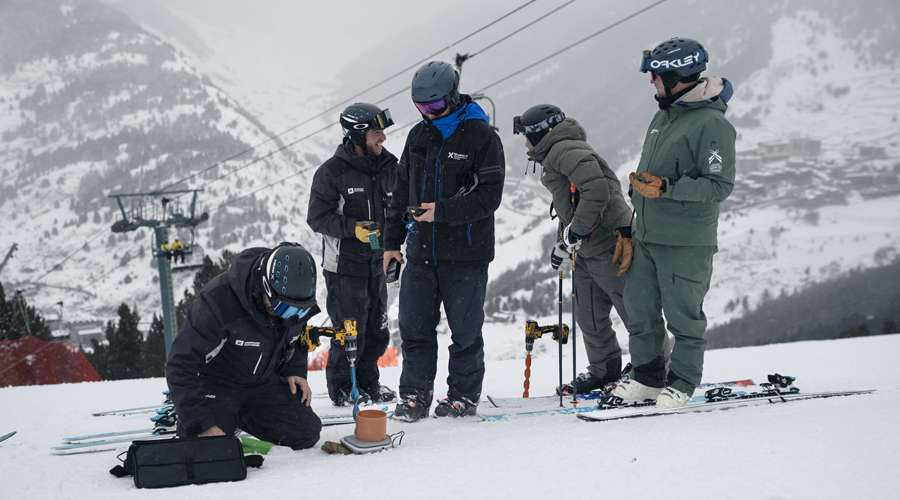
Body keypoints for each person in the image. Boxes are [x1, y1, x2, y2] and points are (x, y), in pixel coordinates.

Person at [614, 37, 736, 408]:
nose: (651, 81)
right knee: (641, 311)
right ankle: (647, 378)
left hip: (685, 241)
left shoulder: (711, 124)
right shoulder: (664, 115)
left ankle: (682, 381)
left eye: (655, 75)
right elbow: (651, 179)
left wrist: (667, 188)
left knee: (683, 317)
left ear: (677, 75)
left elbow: (719, 186)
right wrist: (631, 229)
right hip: (648, 235)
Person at [383, 61, 505, 421]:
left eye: (435, 106)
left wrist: (443, 212)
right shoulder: (418, 137)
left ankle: (462, 396)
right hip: (421, 252)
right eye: (421, 107)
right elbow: (401, 191)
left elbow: (489, 197)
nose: (429, 114)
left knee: (465, 332)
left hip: (466, 254)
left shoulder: (481, 137)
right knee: (414, 328)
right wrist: (392, 242)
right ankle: (415, 395)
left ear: (452, 97)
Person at [513, 104, 634, 395]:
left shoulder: (566, 150)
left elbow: (596, 191)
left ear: (540, 134)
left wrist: (575, 233)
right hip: (587, 248)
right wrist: (564, 242)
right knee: (589, 315)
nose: (525, 143)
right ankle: (604, 371)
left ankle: (653, 369)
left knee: (633, 310)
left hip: (610, 243)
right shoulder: (557, 153)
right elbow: (572, 206)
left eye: (526, 135)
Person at [166, 243, 323, 449]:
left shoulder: (292, 304)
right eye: (284, 308)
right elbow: (180, 364)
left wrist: (293, 370)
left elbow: (295, 334)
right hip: (217, 385)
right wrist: (199, 423)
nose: (291, 316)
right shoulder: (217, 302)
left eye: (300, 311)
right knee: (209, 448)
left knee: (305, 433)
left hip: (262, 384)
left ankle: (236, 416)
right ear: (264, 287)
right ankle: (197, 411)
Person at [307, 102, 399, 407]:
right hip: (344, 266)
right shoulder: (331, 173)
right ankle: (344, 387)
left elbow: (399, 208)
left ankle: (369, 383)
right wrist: (353, 228)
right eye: (376, 132)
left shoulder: (389, 167)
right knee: (349, 331)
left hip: (378, 264)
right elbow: (317, 218)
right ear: (357, 135)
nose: (383, 138)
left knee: (377, 330)